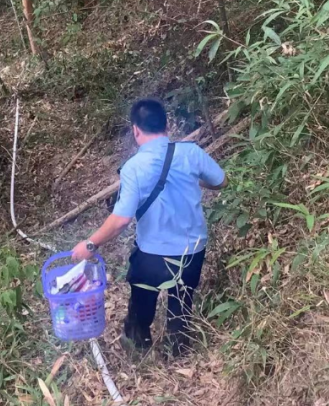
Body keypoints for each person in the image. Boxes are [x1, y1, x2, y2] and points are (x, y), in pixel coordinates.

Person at [72, 99, 226, 358]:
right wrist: (195, 183)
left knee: (142, 303)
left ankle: (137, 346)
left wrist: (90, 244)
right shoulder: (191, 153)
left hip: (154, 255)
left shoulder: (133, 167)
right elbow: (220, 181)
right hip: (192, 250)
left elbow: (121, 219)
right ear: (167, 125)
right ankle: (177, 350)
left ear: (135, 130)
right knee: (181, 303)